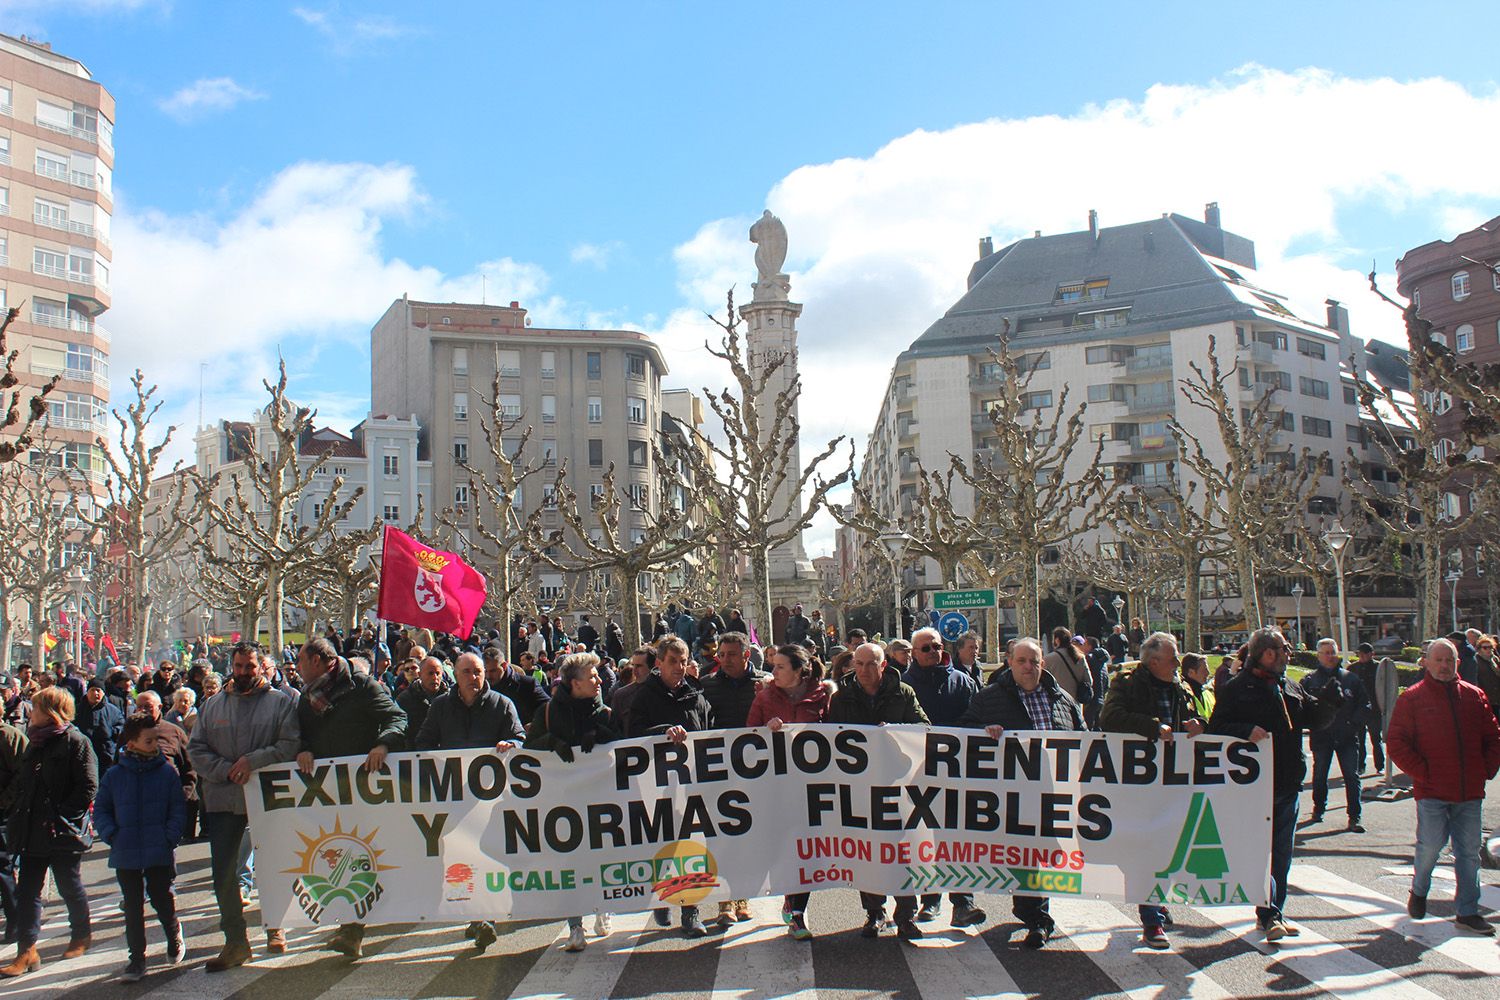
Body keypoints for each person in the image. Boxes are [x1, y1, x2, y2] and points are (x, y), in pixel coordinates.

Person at [1208, 626, 1341, 941]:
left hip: (1287, 784)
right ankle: (1267, 912)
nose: (1288, 654)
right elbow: (1216, 728)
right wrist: (1243, 729)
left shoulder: (1289, 686)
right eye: (1283, 649)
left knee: (1281, 854)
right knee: (1259, 853)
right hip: (1253, 789)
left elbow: (1312, 718)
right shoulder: (1238, 688)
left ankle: (1272, 913)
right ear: (1266, 653)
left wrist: (1330, 704)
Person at [958, 637, 1081, 947]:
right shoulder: (988, 699)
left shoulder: (1062, 699)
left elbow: (1083, 738)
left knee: (1038, 856)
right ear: (1009, 662)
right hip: (1009, 796)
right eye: (1022, 661)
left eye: (1035, 661)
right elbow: (964, 734)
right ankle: (1030, 911)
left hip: (1053, 793)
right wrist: (984, 732)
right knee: (1022, 856)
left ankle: (1037, 917)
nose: (1029, 667)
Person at [189, 641, 300, 970]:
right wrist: (226, 770)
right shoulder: (212, 706)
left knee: (273, 868)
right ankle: (235, 941)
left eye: (249, 667)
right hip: (224, 800)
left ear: (262, 667)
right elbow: (197, 749)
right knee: (224, 874)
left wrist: (252, 762)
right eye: (238, 667)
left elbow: (290, 745)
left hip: (268, 798)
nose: (243, 673)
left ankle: (276, 927)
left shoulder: (281, 704)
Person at [295, 636, 407, 959]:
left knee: (359, 857)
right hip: (328, 794)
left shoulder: (362, 687)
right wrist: (303, 749)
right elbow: (301, 732)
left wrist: (383, 745)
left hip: (364, 792)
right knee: (338, 856)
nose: (298, 666)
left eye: (302, 660)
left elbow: (397, 718)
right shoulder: (307, 697)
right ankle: (350, 927)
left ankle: (353, 929)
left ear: (318, 662)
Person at [1387, 638, 1500, 936]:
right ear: (1426, 662)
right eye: (1438, 660)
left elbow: (1493, 736)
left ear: (1457, 663)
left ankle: (1467, 911)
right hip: (1432, 792)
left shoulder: (1474, 696)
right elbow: (1397, 743)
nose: (1444, 665)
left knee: (1468, 853)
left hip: (1469, 792)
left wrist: (1487, 769)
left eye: (1449, 660)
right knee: (1430, 847)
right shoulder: (1412, 699)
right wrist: (1423, 773)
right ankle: (1419, 890)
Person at [415, 652, 527, 952]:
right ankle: (474, 915)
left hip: (491, 800)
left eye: (478, 672)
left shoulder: (502, 704)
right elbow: (423, 743)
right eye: (467, 672)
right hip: (455, 798)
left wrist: (511, 744)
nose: (473, 677)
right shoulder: (440, 707)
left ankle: (485, 917)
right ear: (456, 674)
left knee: (488, 857)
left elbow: (520, 737)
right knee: (461, 861)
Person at [1099, 632, 1204, 950]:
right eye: (1173, 658)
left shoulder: (1179, 685)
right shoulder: (1127, 682)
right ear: (1153, 661)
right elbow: (1110, 718)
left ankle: (1156, 901)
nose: (1178, 663)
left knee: (1170, 847)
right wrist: (1153, 728)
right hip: (1140, 781)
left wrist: (1199, 724)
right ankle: (1151, 920)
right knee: (1147, 849)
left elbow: (1194, 718)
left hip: (1175, 780)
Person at [827, 642, 928, 939]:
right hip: (859, 786)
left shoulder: (903, 693)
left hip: (898, 786)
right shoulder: (842, 698)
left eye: (871, 664)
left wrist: (896, 729)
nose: (864, 670)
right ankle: (874, 912)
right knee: (866, 852)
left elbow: (924, 726)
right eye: (858, 664)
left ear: (883, 666)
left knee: (902, 852)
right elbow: (831, 739)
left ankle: (906, 915)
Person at [524, 652, 621, 951]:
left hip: (601, 799)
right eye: (591, 677)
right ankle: (575, 925)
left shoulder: (604, 711)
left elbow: (622, 740)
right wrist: (552, 743)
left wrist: (598, 733)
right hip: (563, 803)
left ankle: (603, 907)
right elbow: (530, 747)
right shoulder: (550, 713)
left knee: (603, 857)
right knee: (570, 862)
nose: (598, 681)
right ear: (574, 683)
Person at [1, 687, 98, 978]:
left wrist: (61, 815)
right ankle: (27, 950)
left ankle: (81, 934)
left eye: (37, 707)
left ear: (52, 710)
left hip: (61, 830)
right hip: (31, 829)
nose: (32, 711)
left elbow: (89, 786)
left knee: (69, 884)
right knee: (28, 890)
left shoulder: (76, 741)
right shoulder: (35, 742)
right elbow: (24, 782)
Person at [626, 635, 714, 937]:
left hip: (688, 787)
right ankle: (661, 897)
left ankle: (691, 912)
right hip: (655, 785)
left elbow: (708, 732)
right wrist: (664, 732)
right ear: (659, 663)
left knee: (690, 847)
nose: (679, 667)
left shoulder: (696, 695)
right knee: (661, 846)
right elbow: (633, 734)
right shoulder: (644, 696)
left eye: (683, 660)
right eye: (672, 661)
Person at [747, 644, 832, 940]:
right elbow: (748, 737)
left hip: (813, 789)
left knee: (807, 849)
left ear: (799, 670)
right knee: (784, 849)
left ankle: (797, 913)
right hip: (777, 789)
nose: (774, 671)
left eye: (781, 666)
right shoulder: (764, 697)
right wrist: (765, 730)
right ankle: (789, 895)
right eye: (774, 666)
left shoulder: (824, 695)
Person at [94, 712, 186, 981]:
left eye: (156, 739)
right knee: (132, 906)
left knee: (161, 898)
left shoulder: (166, 772)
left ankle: (173, 934)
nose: (154, 745)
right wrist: (111, 834)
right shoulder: (114, 775)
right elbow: (101, 809)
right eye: (148, 741)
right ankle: (136, 960)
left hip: (158, 847)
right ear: (131, 743)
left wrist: (169, 836)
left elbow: (177, 809)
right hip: (126, 848)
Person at [900, 627, 981, 926]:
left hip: (957, 771)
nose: (933, 651)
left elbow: (976, 718)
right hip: (918, 776)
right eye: (925, 648)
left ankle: (963, 902)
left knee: (957, 839)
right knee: (925, 839)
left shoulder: (962, 682)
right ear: (914, 653)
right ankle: (930, 900)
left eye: (936, 646)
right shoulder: (904, 685)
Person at [697, 632, 765, 927]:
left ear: (746, 656)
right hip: (718, 773)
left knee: (749, 839)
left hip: (757, 773)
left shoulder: (765, 684)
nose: (725, 660)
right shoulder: (706, 685)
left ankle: (743, 896)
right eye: (721, 655)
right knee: (719, 838)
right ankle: (724, 901)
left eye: (731, 655)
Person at [1302, 638, 1370, 832]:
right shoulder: (1310, 680)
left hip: (1347, 736)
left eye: (1333, 652)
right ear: (1319, 655)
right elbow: (1303, 708)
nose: (1330, 656)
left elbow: (1365, 705)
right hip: (1322, 736)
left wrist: (1353, 724)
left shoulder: (1351, 679)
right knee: (1320, 774)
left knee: (1351, 775)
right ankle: (1318, 809)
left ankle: (1354, 816)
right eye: (1326, 653)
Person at [0, 717, 26, 945]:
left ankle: (16, 920)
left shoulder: (9, 736)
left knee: (3, 868)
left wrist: (5, 801)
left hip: (4, 812)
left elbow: (24, 772)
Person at [486, 646, 551, 725]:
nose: (488, 676)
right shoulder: (483, 688)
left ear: (504, 666)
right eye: (485, 671)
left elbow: (549, 709)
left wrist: (534, 725)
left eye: (493, 671)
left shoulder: (528, 684)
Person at [1348, 642, 1386, 774]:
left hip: (1375, 709)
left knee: (1376, 739)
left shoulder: (1378, 668)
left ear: (1371, 654)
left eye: (1365, 654)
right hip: (1359, 708)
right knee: (1360, 739)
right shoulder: (1353, 668)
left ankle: (1379, 766)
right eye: (1360, 654)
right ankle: (1360, 766)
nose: (1362, 657)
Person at [76, 680, 124, 774]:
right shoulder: (77, 710)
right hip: (82, 753)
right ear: (87, 692)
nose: (95, 693)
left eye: (98, 690)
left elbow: (121, 726)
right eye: (92, 690)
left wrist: (110, 732)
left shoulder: (113, 710)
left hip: (106, 755)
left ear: (103, 693)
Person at [397, 656, 449, 738]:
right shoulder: (405, 699)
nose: (435, 677)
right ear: (420, 675)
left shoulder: (450, 698)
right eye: (430, 673)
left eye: (437, 673)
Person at [1042, 628, 1093, 704]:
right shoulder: (1080, 658)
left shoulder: (1048, 659)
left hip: (1057, 704)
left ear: (1057, 640)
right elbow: (1089, 681)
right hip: (1076, 704)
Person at [1082, 636, 1111, 729]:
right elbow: (1106, 680)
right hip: (1101, 697)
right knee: (1098, 728)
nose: (1082, 646)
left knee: (1088, 728)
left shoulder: (1089, 658)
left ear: (1090, 646)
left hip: (1091, 697)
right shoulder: (1103, 662)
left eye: (1084, 644)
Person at [1181, 652, 1215, 721]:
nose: (1208, 673)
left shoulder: (1207, 693)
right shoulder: (1182, 695)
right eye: (1204, 669)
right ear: (1191, 672)